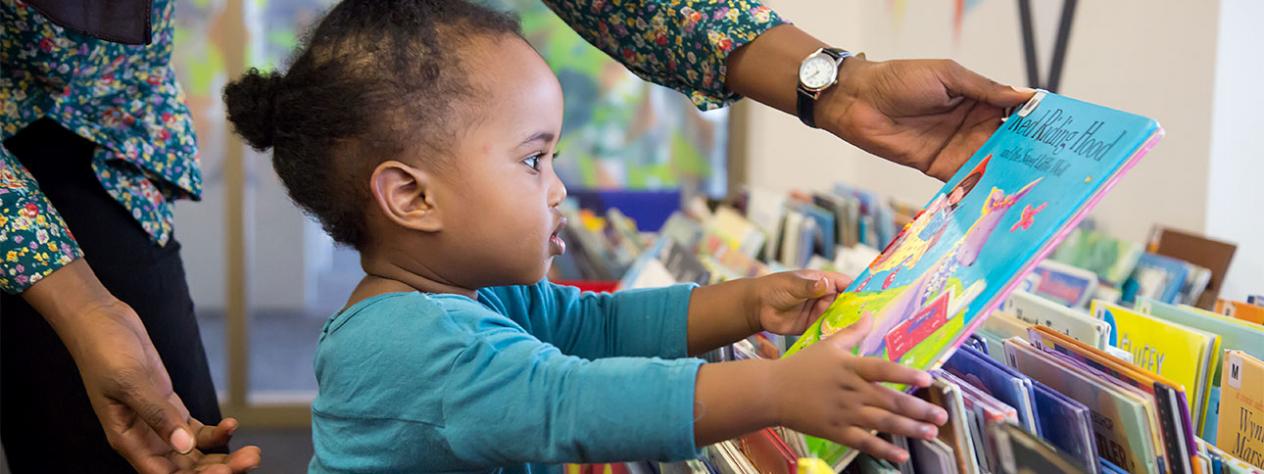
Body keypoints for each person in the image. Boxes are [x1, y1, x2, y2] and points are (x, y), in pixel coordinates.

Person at [1, 0, 1030, 471]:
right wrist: (773, 388)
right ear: (411, 197)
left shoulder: (464, 298)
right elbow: (566, 402)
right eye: (534, 157)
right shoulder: (402, 343)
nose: (560, 186)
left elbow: (601, 331)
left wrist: (741, 306)